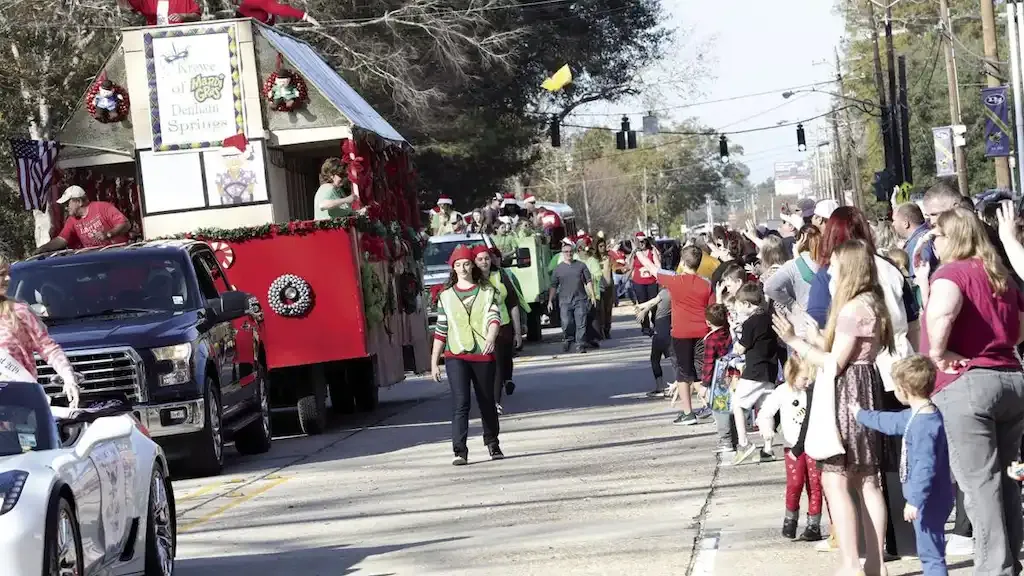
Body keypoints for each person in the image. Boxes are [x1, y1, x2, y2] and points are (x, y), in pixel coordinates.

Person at [773, 239, 895, 576]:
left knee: (835, 479)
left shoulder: (852, 308)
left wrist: (795, 342)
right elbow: (849, 348)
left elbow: (835, 363)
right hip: (866, 388)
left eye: (836, 266)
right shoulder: (871, 303)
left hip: (847, 393)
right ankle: (876, 563)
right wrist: (816, 337)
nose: (831, 272)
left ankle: (851, 563)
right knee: (868, 481)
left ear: (849, 269)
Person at [918, 207, 1024, 574]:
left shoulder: (951, 273)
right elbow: (1020, 330)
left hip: (968, 382)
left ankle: (994, 568)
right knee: (1007, 479)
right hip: (1009, 377)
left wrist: (937, 352)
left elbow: (943, 314)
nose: (934, 242)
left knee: (980, 484)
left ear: (954, 238)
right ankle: (1009, 559)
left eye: (938, 236)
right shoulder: (1000, 275)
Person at [851, 355, 954, 576]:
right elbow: (891, 422)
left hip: (928, 499)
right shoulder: (921, 414)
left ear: (904, 390)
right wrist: (861, 414)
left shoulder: (923, 424)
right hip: (931, 496)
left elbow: (925, 466)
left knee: (931, 553)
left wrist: (915, 500)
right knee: (929, 548)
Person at [430, 245, 503, 465]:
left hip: (482, 353)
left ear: (473, 266)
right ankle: (460, 451)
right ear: (453, 268)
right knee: (461, 403)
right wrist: (434, 362)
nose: (462, 268)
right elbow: (441, 330)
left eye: (466, 264)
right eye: (458, 265)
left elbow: (494, 318)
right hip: (456, 355)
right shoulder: (445, 296)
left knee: (486, 401)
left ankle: (493, 443)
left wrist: (491, 337)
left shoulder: (487, 291)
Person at [635, 245, 713, 425]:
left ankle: (688, 413)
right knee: (699, 372)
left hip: (681, 333)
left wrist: (639, 253)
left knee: (683, 373)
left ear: (683, 263)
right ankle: (712, 405)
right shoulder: (706, 284)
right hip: (702, 332)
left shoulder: (674, 281)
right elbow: (712, 308)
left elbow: (652, 268)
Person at [757, 355, 822, 542]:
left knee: (815, 484)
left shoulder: (813, 391)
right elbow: (766, 412)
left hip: (813, 444)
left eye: (810, 378)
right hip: (792, 445)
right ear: (792, 375)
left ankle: (814, 525)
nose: (807, 383)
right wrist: (767, 428)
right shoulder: (782, 391)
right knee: (795, 483)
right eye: (804, 378)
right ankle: (790, 518)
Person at [0, 254, 80, 407]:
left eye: (8, 273)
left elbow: (48, 348)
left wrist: (68, 377)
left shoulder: (19, 312)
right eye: (2, 274)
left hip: (20, 404)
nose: (8, 278)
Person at [729, 282, 780, 465]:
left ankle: (744, 443)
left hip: (754, 371)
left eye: (739, 305)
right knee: (765, 411)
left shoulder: (750, 323)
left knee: (737, 404)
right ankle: (768, 449)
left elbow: (741, 349)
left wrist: (734, 332)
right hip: (770, 371)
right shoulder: (769, 318)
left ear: (747, 304)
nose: (738, 309)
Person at [472, 245, 521, 416]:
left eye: (486, 258)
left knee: (499, 364)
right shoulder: (471, 279)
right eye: (480, 259)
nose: (484, 262)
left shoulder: (500, 275)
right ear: (474, 262)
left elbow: (513, 303)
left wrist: (518, 331)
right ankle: (491, 399)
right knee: (489, 367)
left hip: (503, 327)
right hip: (480, 329)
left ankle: (495, 401)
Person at [36, 186, 131, 254]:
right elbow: (62, 239)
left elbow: (126, 224)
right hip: (94, 259)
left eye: (68, 203)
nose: (66, 207)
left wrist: (109, 234)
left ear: (79, 202)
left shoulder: (102, 207)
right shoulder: (71, 220)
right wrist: (43, 248)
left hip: (117, 254)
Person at [764, 224, 821, 333]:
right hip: (827, 324)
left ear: (798, 241)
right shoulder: (829, 261)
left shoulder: (792, 265)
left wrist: (792, 304)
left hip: (803, 325)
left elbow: (768, 287)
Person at [549, 239, 596, 354]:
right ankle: (568, 339)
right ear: (562, 253)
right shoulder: (558, 269)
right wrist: (550, 300)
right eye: (566, 252)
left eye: (570, 251)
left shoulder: (581, 266)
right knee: (566, 323)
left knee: (581, 323)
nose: (568, 254)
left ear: (573, 252)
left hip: (580, 299)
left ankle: (580, 345)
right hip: (565, 301)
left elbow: (588, 281)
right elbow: (553, 286)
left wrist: (592, 295)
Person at [701, 304, 733, 451]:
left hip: (717, 378)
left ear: (708, 322)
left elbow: (708, 363)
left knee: (720, 409)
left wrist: (704, 384)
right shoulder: (729, 333)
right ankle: (735, 438)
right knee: (732, 407)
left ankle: (726, 440)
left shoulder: (711, 339)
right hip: (731, 374)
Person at [638, 287, 673, 397]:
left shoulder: (665, 292)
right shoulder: (677, 293)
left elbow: (653, 301)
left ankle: (660, 387)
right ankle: (680, 385)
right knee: (675, 360)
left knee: (655, 359)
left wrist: (642, 309)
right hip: (670, 330)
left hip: (660, 331)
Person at [891, 202, 935, 284]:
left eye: (894, 220)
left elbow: (918, 279)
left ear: (905, 223)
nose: (893, 224)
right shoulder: (926, 236)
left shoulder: (919, 244)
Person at [627, 232, 661, 336]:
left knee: (653, 305)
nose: (641, 243)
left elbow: (658, 265)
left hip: (652, 282)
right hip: (639, 283)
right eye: (639, 242)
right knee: (642, 304)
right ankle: (645, 327)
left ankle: (656, 324)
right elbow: (629, 267)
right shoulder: (635, 253)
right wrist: (632, 253)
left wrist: (660, 277)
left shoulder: (652, 251)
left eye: (643, 241)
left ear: (646, 241)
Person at [234, 0, 320, 25]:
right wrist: (305, 17)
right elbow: (280, 9)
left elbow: (279, 9)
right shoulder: (248, 4)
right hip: (245, 21)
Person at [595, 236, 615, 338]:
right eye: (600, 246)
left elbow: (615, 267)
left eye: (604, 246)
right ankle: (600, 330)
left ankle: (607, 330)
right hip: (598, 287)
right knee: (600, 310)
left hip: (608, 287)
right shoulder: (594, 259)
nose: (603, 248)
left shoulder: (609, 258)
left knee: (608, 309)